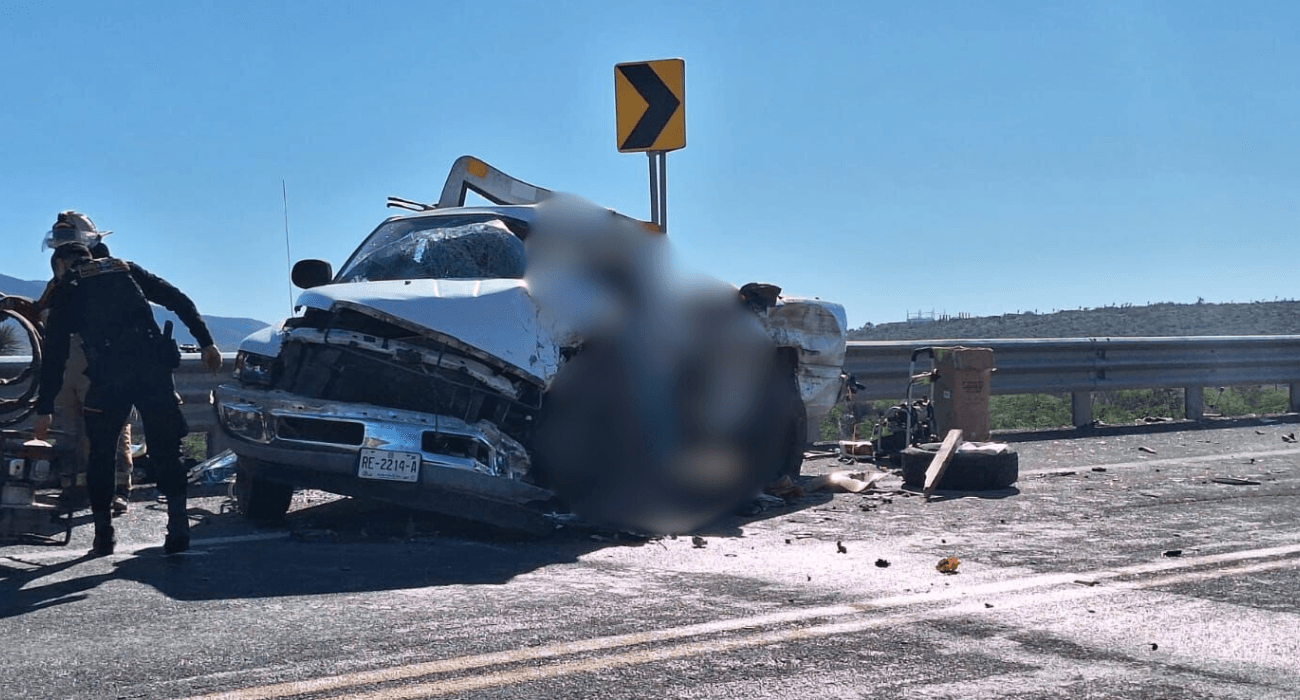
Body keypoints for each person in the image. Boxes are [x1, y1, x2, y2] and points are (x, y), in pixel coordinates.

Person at [33, 240, 222, 556]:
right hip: (153, 370)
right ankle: (178, 526)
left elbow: (55, 354)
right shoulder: (124, 268)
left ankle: (103, 534)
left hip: (109, 377)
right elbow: (179, 300)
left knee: (101, 454)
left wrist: (44, 407)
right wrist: (206, 342)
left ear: (61, 266)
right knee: (167, 449)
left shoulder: (68, 287)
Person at [35, 211, 135, 515]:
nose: (59, 246)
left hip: (100, 358)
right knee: (69, 425)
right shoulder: (60, 276)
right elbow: (45, 309)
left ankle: (119, 488)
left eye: (67, 237)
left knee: (109, 424)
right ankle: (76, 487)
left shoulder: (107, 272)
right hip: (66, 357)